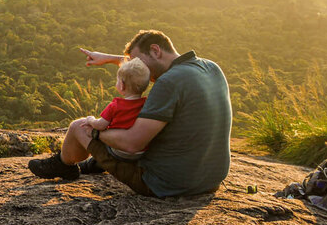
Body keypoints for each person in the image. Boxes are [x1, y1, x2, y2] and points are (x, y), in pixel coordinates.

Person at [28, 30, 232, 197]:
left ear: (155, 50)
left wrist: (97, 133)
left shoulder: (168, 82)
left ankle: (64, 165)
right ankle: (96, 162)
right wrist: (110, 59)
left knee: (79, 127)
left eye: (138, 62)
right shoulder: (211, 67)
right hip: (210, 179)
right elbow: (139, 69)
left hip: (167, 184)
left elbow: (132, 143)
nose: (138, 69)